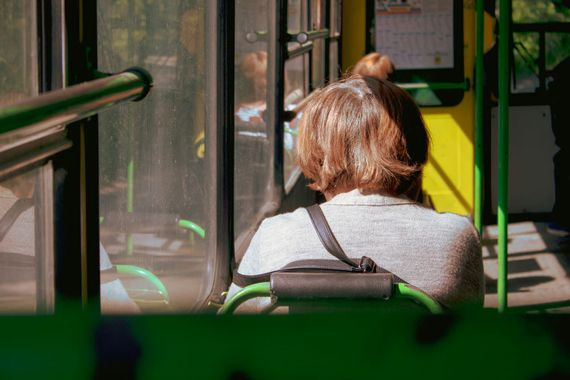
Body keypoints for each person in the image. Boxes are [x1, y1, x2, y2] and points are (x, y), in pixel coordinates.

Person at [227, 75, 484, 311]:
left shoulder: (275, 233)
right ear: (416, 147)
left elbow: (233, 326)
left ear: (316, 153)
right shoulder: (456, 234)